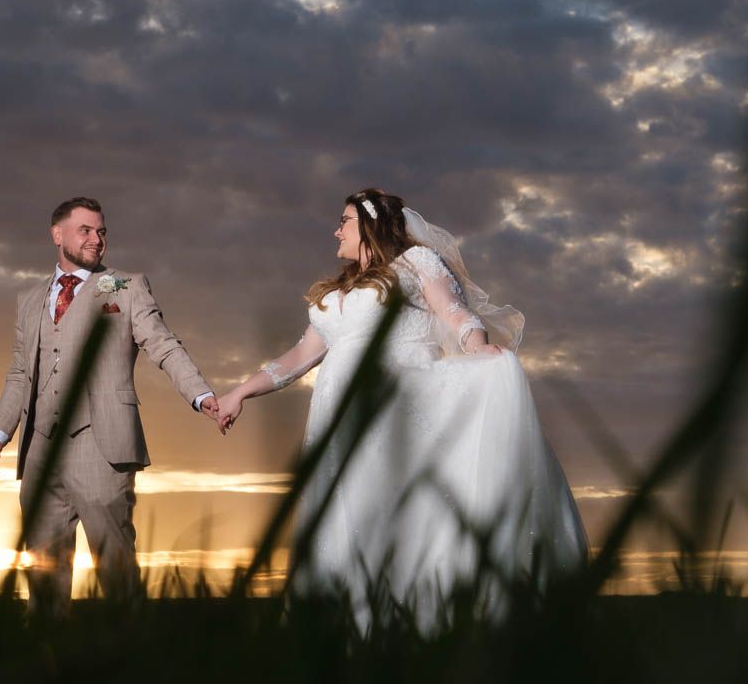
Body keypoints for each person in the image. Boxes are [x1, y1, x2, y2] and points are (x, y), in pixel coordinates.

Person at [213, 188, 586, 630]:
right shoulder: (336, 292)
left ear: (370, 224)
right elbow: (297, 358)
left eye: (344, 221)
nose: (336, 230)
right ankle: (355, 629)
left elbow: (456, 314)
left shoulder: (417, 264)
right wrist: (239, 393)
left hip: (394, 405)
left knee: (397, 510)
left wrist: (479, 347)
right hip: (340, 418)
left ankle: (418, 623)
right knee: (346, 513)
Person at [0, 196, 220, 616]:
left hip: (102, 447)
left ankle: (129, 657)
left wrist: (201, 396)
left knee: (117, 570)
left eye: (102, 231)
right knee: (43, 576)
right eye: (85, 230)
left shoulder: (121, 285)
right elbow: (20, 372)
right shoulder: (30, 299)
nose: (97, 239)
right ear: (58, 235)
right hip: (40, 452)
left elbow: (163, 344)